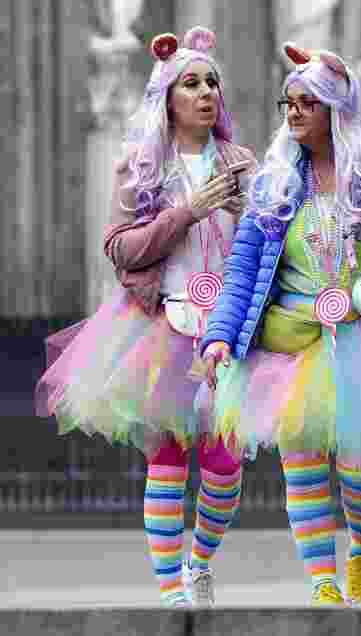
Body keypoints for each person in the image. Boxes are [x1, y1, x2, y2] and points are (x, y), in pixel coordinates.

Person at [197, 43, 361, 606]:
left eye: (306, 103)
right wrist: (219, 334)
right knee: (301, 459)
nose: (292, 114)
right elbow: (243, 269)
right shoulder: (273, 184)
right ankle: (322, 581)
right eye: (287, 103)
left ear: (336, 109)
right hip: (291, 341)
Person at [36, 27, 257, 607]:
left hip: (229, 330)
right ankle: (170, 595)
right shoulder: (140, 164)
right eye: (192, 84)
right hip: (161, 327)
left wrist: (253, 212)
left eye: (212, 83)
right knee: (168, 457)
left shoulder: (242, 162)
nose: (207, 93)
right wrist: (188, 211)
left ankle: (199, 562)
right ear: (168, 98)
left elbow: (271, 245)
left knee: (226, 467)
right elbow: (120, 250)